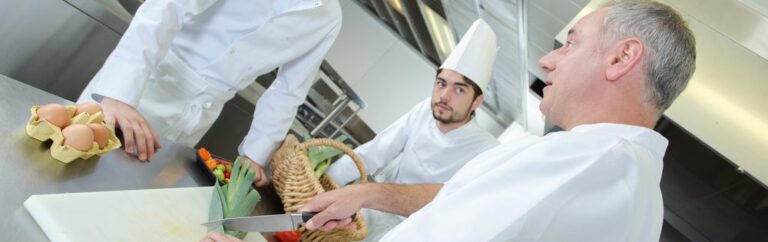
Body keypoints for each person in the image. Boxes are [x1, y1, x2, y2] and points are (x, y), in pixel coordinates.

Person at [294, 1, 697, 241]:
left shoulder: (586, 163)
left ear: (621, 58)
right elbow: (461, 196)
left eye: (571, 43)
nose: (547, 60)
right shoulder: (632, 183)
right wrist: (368, 193)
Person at [78, 0, 342, 186]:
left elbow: (288, 91)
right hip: (145, 85)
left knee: (129, 190)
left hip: (199, 113)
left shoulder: (329, 18)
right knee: (77, 165)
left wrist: (253, 156)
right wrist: (119, 95)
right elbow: (168, 7)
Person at [324, 19, 500, 241]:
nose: (444, 96)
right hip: (373, 208)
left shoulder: (487, 150)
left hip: (414, 233)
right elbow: (376, 151)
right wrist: (327, 182)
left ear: (477, 102)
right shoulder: (425, 110)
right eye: (441, 83)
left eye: (459, 89)